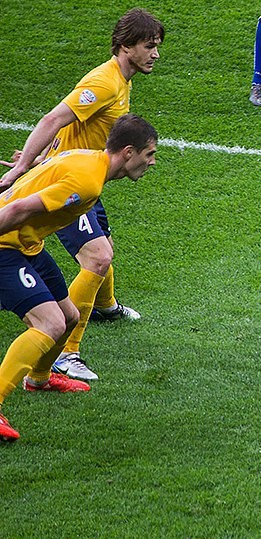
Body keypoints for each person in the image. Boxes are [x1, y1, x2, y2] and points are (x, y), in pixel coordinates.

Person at [0, 9, 164, 382]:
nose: (155, 54)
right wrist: (25, 165)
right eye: (149, 46)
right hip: (71, 183)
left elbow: (77, 126)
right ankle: (67, 352)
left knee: (103, 247)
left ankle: (104, 306)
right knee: (98, 255)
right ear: (126, 47)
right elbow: (54, 119)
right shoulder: (105, 82)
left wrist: (42, 158)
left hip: (88, 171)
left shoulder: (124, 80)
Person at [0, 114, 158, 442]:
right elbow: (17, 211)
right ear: (128, 152)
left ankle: (39, 379)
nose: (151, 162)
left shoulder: (90, 160)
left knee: (70, 316)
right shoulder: (87, 181)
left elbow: (47, 169)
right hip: (6, 244)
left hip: (28, 245)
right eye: (149, 154)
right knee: (50, 324)